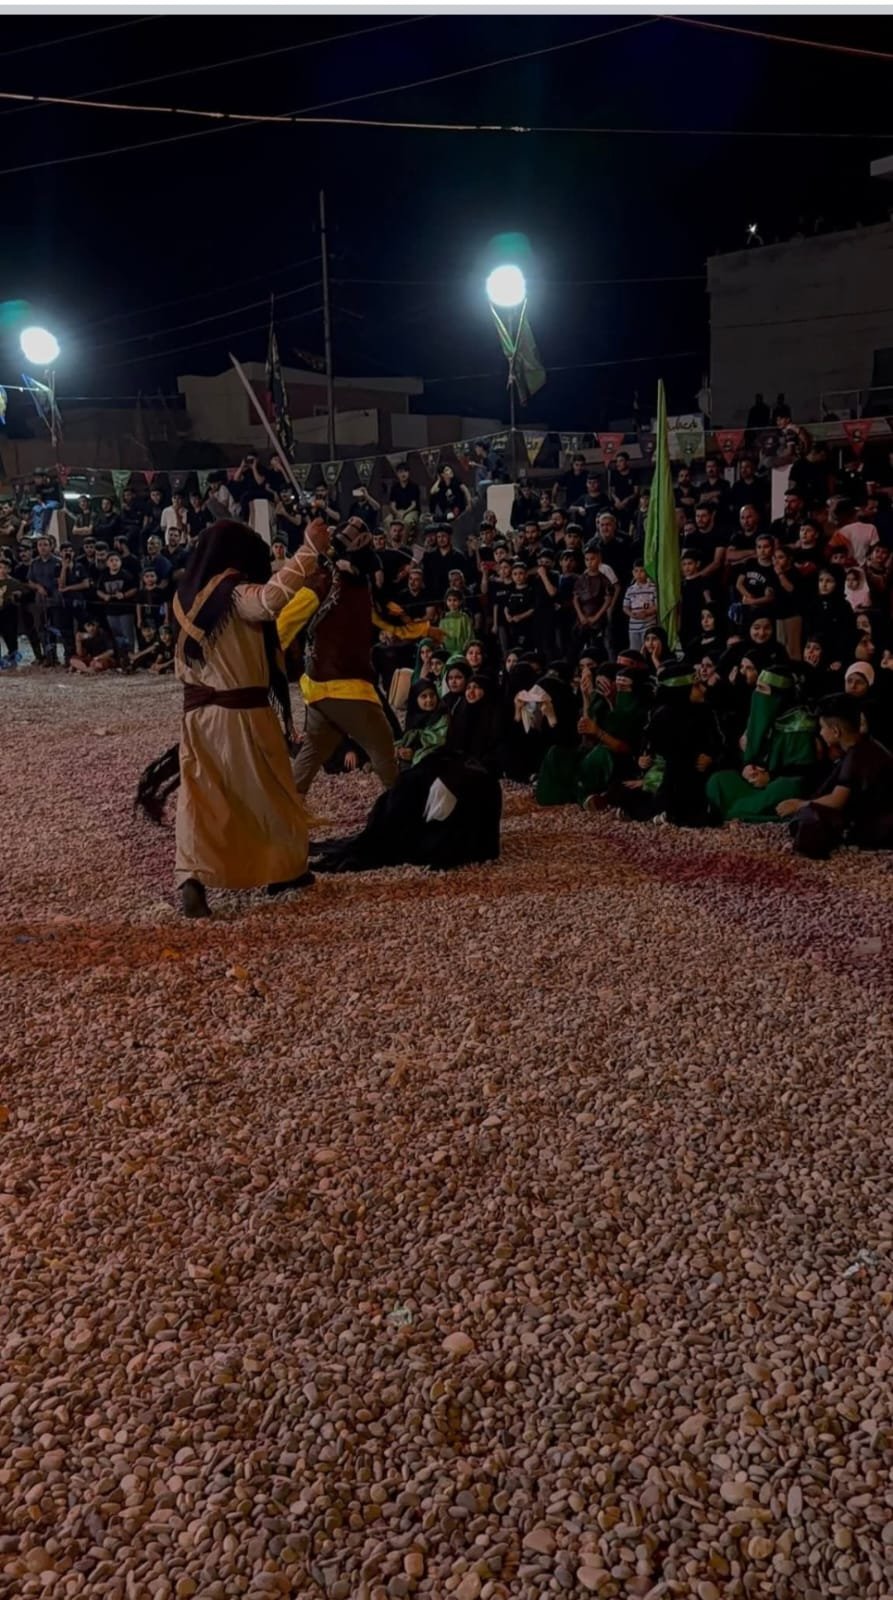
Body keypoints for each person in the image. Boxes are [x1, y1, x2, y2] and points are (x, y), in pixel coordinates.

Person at [136, 518, 328, 918]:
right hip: (244, 715)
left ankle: (191, 877)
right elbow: (269, 600)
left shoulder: (185, 598)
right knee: (272, 791)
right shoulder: (232, 592)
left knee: (201, 797)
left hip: (198, 717)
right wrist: (309, 548)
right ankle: (285, 870)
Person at [278, 522, 423, 798]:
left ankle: (287, 808)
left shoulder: (359, 586)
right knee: (384, 750)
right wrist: (265, 662)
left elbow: (381, 621)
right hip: (345, 687)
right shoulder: (323, 581)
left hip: (325, 687)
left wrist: (421, 629)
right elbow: (284, 624)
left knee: (315, 749)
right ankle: (404, 811)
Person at [311, 673, 504, 874]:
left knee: (415, 790)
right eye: (423, 697)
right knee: (403, 790)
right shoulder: (437, 713)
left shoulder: (454, 714)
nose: (429, 701)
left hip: (463, 768)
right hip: (439, 762)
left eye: (432, 696)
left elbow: (466, 749)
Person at [781, 694, 893, 857]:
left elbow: (837, 801)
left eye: (822, 727)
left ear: (835, 731)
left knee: (811, 816)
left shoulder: (857, 754)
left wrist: (799, 805)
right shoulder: (864, 745)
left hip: (881, 824)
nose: (820, 732)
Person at [706, 666, 819, 823]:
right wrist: (748, 767)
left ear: (778, 695)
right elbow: (750, 752)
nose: (757, 694)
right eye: (757, 688)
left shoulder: (800, 724)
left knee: (785, 787)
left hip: (778, 782)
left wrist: (770, 777)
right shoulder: (762, 715)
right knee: (719, 780)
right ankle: (738, 810)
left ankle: (736, 811)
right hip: (755, 781)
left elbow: (804, 771)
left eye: (762, 689)